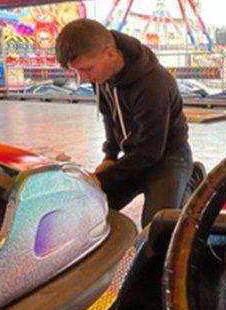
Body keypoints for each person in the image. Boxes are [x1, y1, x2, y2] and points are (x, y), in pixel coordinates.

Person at [55, 18, 195, 227]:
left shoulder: (153, 84)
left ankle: (190, 182)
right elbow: (110, 117)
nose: (84, 78)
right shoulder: (101, 77)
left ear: (111, 54)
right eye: (77, 72)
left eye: (87, 69)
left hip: (168, 158)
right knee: (89, 210)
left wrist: (102, 179)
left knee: (157, 228)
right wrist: (110, 156)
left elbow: (151, 151)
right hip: (133, 158)